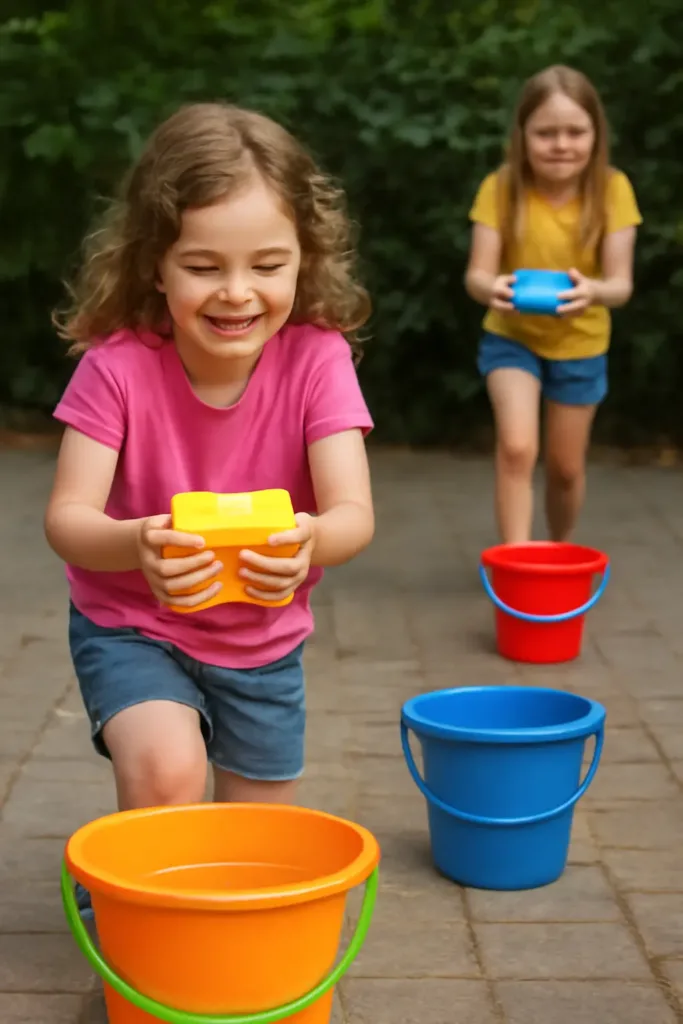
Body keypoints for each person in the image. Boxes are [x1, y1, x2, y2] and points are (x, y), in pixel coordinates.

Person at [44, 102, 375, 918]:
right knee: (167, 772)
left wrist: (311, 541)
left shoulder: (317, 361)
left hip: (261, 642)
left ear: (305, 260)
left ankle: (205, 926)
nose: (237, 293)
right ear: (155, 263)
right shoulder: (116, 369)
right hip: (134, 626)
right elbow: (68, 521)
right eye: (203, 266)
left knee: (255, 842)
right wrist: (136, 542)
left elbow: (352, 514)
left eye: (267, 265)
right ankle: (140, 917)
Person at [465, 64, 641, 544]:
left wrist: (592, 292)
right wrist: (493, 288)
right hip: (512, 337)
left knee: (565, 468)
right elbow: (477, 276)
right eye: (546, 133)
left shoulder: (613, 189)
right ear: (523, 136)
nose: (561, 144)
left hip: (582, 342)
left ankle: (559, 552)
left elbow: (620, 285)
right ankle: (516, 561)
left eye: (574, 132)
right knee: (517, 447)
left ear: (595, 134)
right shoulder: (501, 188)